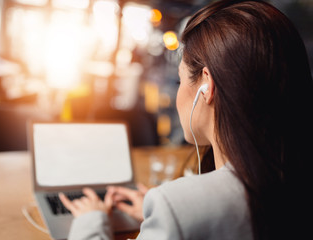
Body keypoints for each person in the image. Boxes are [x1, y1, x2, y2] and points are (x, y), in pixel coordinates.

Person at [59, 0, 313, 239]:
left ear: (206, 85)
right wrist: (164, 216)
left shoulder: (178, 206)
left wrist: (92, 220)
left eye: (182, 80)